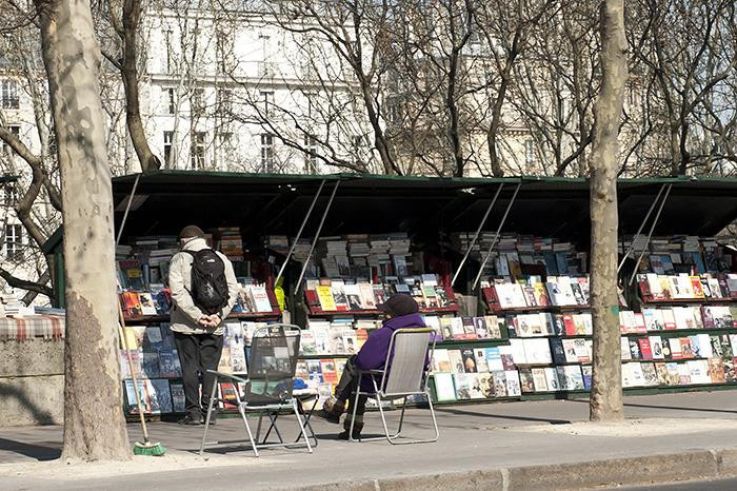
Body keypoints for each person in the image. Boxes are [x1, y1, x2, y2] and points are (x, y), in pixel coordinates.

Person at [316, 294, 427, 439]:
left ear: (392, 314)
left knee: (355, 368)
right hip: (413, 383)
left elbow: (364, 363)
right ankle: (339, 409)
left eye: (386, 312)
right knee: (358, 373)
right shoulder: (422, 332)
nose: (383, 315)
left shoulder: (384, 334)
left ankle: (338, 407)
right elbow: (425, 363)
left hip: (385, 385)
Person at [168, 225, 239, 425]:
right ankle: (210, 412)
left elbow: (177, 293)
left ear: (182, 242)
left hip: (185, 325)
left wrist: (196, 317)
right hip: (214, 324)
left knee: (189, 367)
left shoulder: (179, 259)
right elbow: (232, 291)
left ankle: (193, 413)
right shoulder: (221, 258)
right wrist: (218, 316)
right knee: (210, 368)